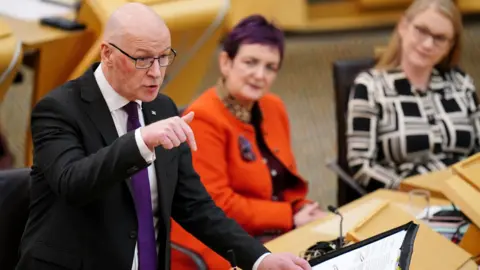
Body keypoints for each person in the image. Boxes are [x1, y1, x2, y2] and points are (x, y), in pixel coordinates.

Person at [15, 3, 312, 270]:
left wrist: (259, 258)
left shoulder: (162, 107)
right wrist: (140, 141)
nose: (157, 73)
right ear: (107, 54)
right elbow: (73, 182)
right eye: (143, 59)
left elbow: (194, 205)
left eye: (164, 57)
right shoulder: (59, 109)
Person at [170, 15, 326, 270]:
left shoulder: (274, 107)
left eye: (270, 67)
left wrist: (304, 209)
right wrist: (290, 216)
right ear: (225, 62)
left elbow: (283, 179)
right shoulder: (203, 119)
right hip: (222, 244)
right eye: (250, 62)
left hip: (275, 232)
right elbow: (217, 205)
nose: (259, 75)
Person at [346, 0, 479, 192]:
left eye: (440, 38)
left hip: (465, 196)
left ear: (450, 46)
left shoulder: (460, 83)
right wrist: (414, 190)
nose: (427, 44)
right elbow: (361, 166)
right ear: (403, 27)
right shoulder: (370, 86)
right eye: (421, 31)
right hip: (407, 201)